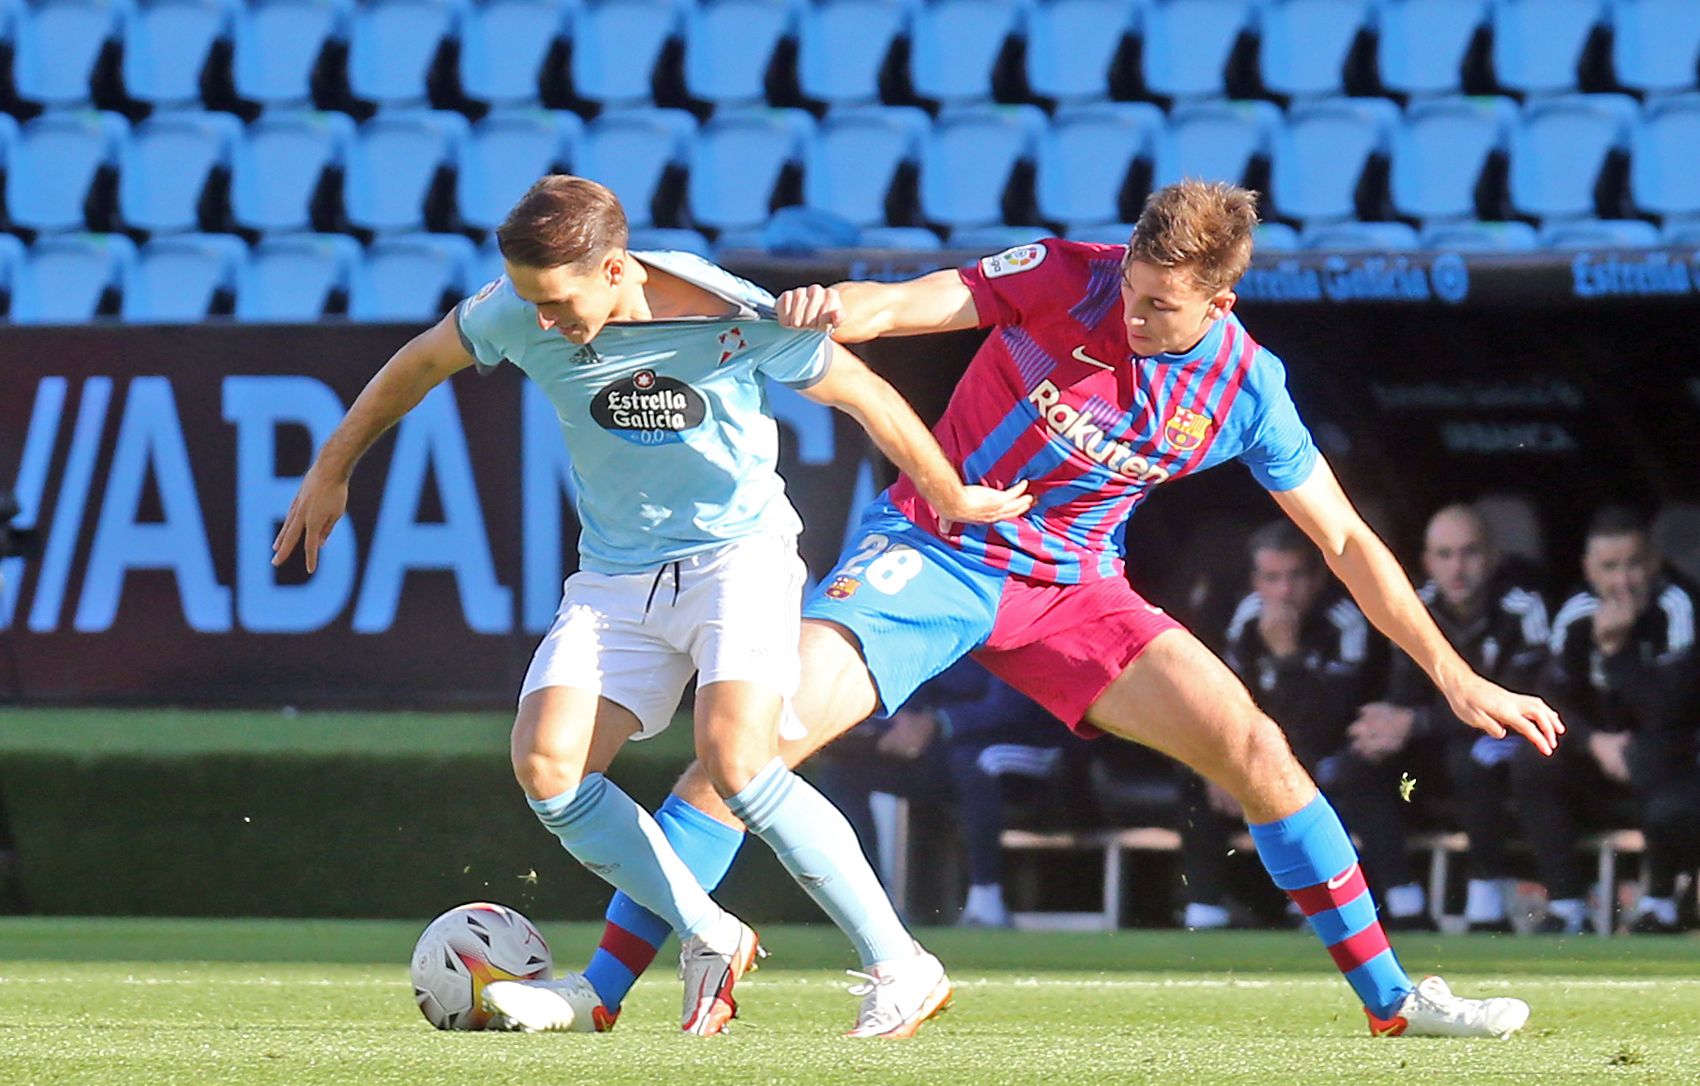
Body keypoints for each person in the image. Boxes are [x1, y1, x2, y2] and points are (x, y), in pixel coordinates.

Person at [506, 180, 1563, 1039]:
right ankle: (597, 992)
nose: (1134, 313)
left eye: (1161, 306)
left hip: (1073, 590)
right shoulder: (1068, 273)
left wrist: (1452, 674)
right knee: (743, 753)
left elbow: (1341, 540)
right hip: (931, 549)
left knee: (1256, 748)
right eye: (1134, 289)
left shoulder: (1247, 389)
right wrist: (835, 307)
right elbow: (905, 302)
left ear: (1220, 304)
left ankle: (1393, 1004)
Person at [270, 176, 1033, 1037]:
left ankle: (903, 965)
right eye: (529, 303)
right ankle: (710, 932)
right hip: (616, 576)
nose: (542, 324)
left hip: (736, 560)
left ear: (616, 268)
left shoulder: (732, 312)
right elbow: (416, 365)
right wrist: (331, 470)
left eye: (558, 303)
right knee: (549, 768)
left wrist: (949, 495)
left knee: (736, 760)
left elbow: (862, 393)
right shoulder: (513, 310)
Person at [1180, 520, 1427, 931]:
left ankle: (1403, 908)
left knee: (1345, 771)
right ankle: (1203, 913)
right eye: (1272, 579)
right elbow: (1227, 704)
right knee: (1199, 773)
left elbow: (1327, 718)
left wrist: (1287, 655)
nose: (1284, 592)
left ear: (1317, 576)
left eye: (1295, 577)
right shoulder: (1246, 619)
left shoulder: (1344, 619)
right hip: (1266, 752)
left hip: (1334, 750)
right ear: (1255, 580)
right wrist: (1220, 764)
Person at [1349, 504, 1552, 932]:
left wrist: (1416, 722)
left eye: (1469, 553)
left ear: (1494, 557)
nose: (1457, 568)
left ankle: (1487, 902)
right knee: (1357, 766)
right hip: (1430, 760)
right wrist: (1386, 727)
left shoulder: (1523, 607)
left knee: (1473, 756)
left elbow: (1522, 701)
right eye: (1444, 555)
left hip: (1502, 744)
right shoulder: (1414, 609)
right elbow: (1404, 695)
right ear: (1427, 562)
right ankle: (1404, 905)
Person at [813, 657, 1084, 929]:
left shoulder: (1014, 628)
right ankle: (872, 904)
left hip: (1034, 749)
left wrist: (936, 722)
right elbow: (918, 698)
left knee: (976, 761)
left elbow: (1011, 710)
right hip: (952, 752)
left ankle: (986, 903)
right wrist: (901, 724)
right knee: (844, 773)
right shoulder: (942, 630)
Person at [1536, 507, 1700, 934]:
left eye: (1633, 565)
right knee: (1532, 759)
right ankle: (1567, 906)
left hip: (1670, 754)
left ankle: (1659, 904)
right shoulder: (1577, 613)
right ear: (1589, 569)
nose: (1623, 581)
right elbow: (1552, 700)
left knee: (1656, 756)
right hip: (1599, 753)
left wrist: (1616, 652)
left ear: (1653, 563)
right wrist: (1594, 743)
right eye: (1609, 568)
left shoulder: (1676, 606)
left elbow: (1670, 711)